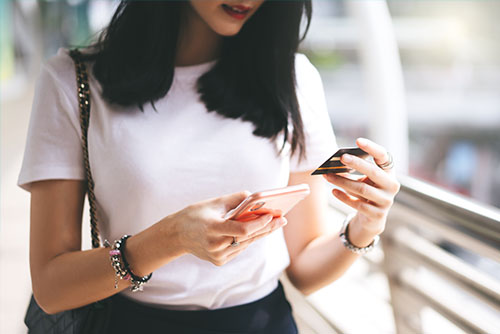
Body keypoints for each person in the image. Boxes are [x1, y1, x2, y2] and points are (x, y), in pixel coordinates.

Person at [17, 1, 400, 333]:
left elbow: (303, 268)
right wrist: (171, 238)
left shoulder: (294, 79)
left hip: (265, 324)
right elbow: (52, 288)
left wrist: (366, 226)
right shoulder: (72, 80)